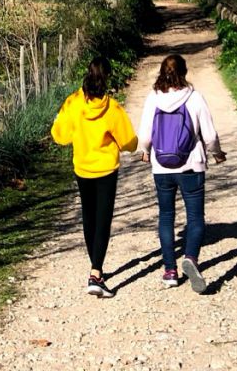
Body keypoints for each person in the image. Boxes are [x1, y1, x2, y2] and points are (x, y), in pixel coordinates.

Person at [137, 54, 226, 294]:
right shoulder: (194, 97)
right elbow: (209, 134)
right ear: (185, 72)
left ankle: (169, 271)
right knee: (195, 217)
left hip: (162, 167)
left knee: (166, 216)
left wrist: (145, 151)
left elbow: (145, 134)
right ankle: (191, 258)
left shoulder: (153, 98)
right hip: (191, 165)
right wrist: (216, 153)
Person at [52, 56, 138, 298]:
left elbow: (59, 135)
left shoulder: (73, 102)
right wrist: (130, 146)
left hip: (82, 168)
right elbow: (129, 141)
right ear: (107, 77)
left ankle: (95, 268)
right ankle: (96, 273)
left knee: (89, 217)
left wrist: (59, 122)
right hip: (106, 170)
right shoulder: (112, 108)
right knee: (103, 219)